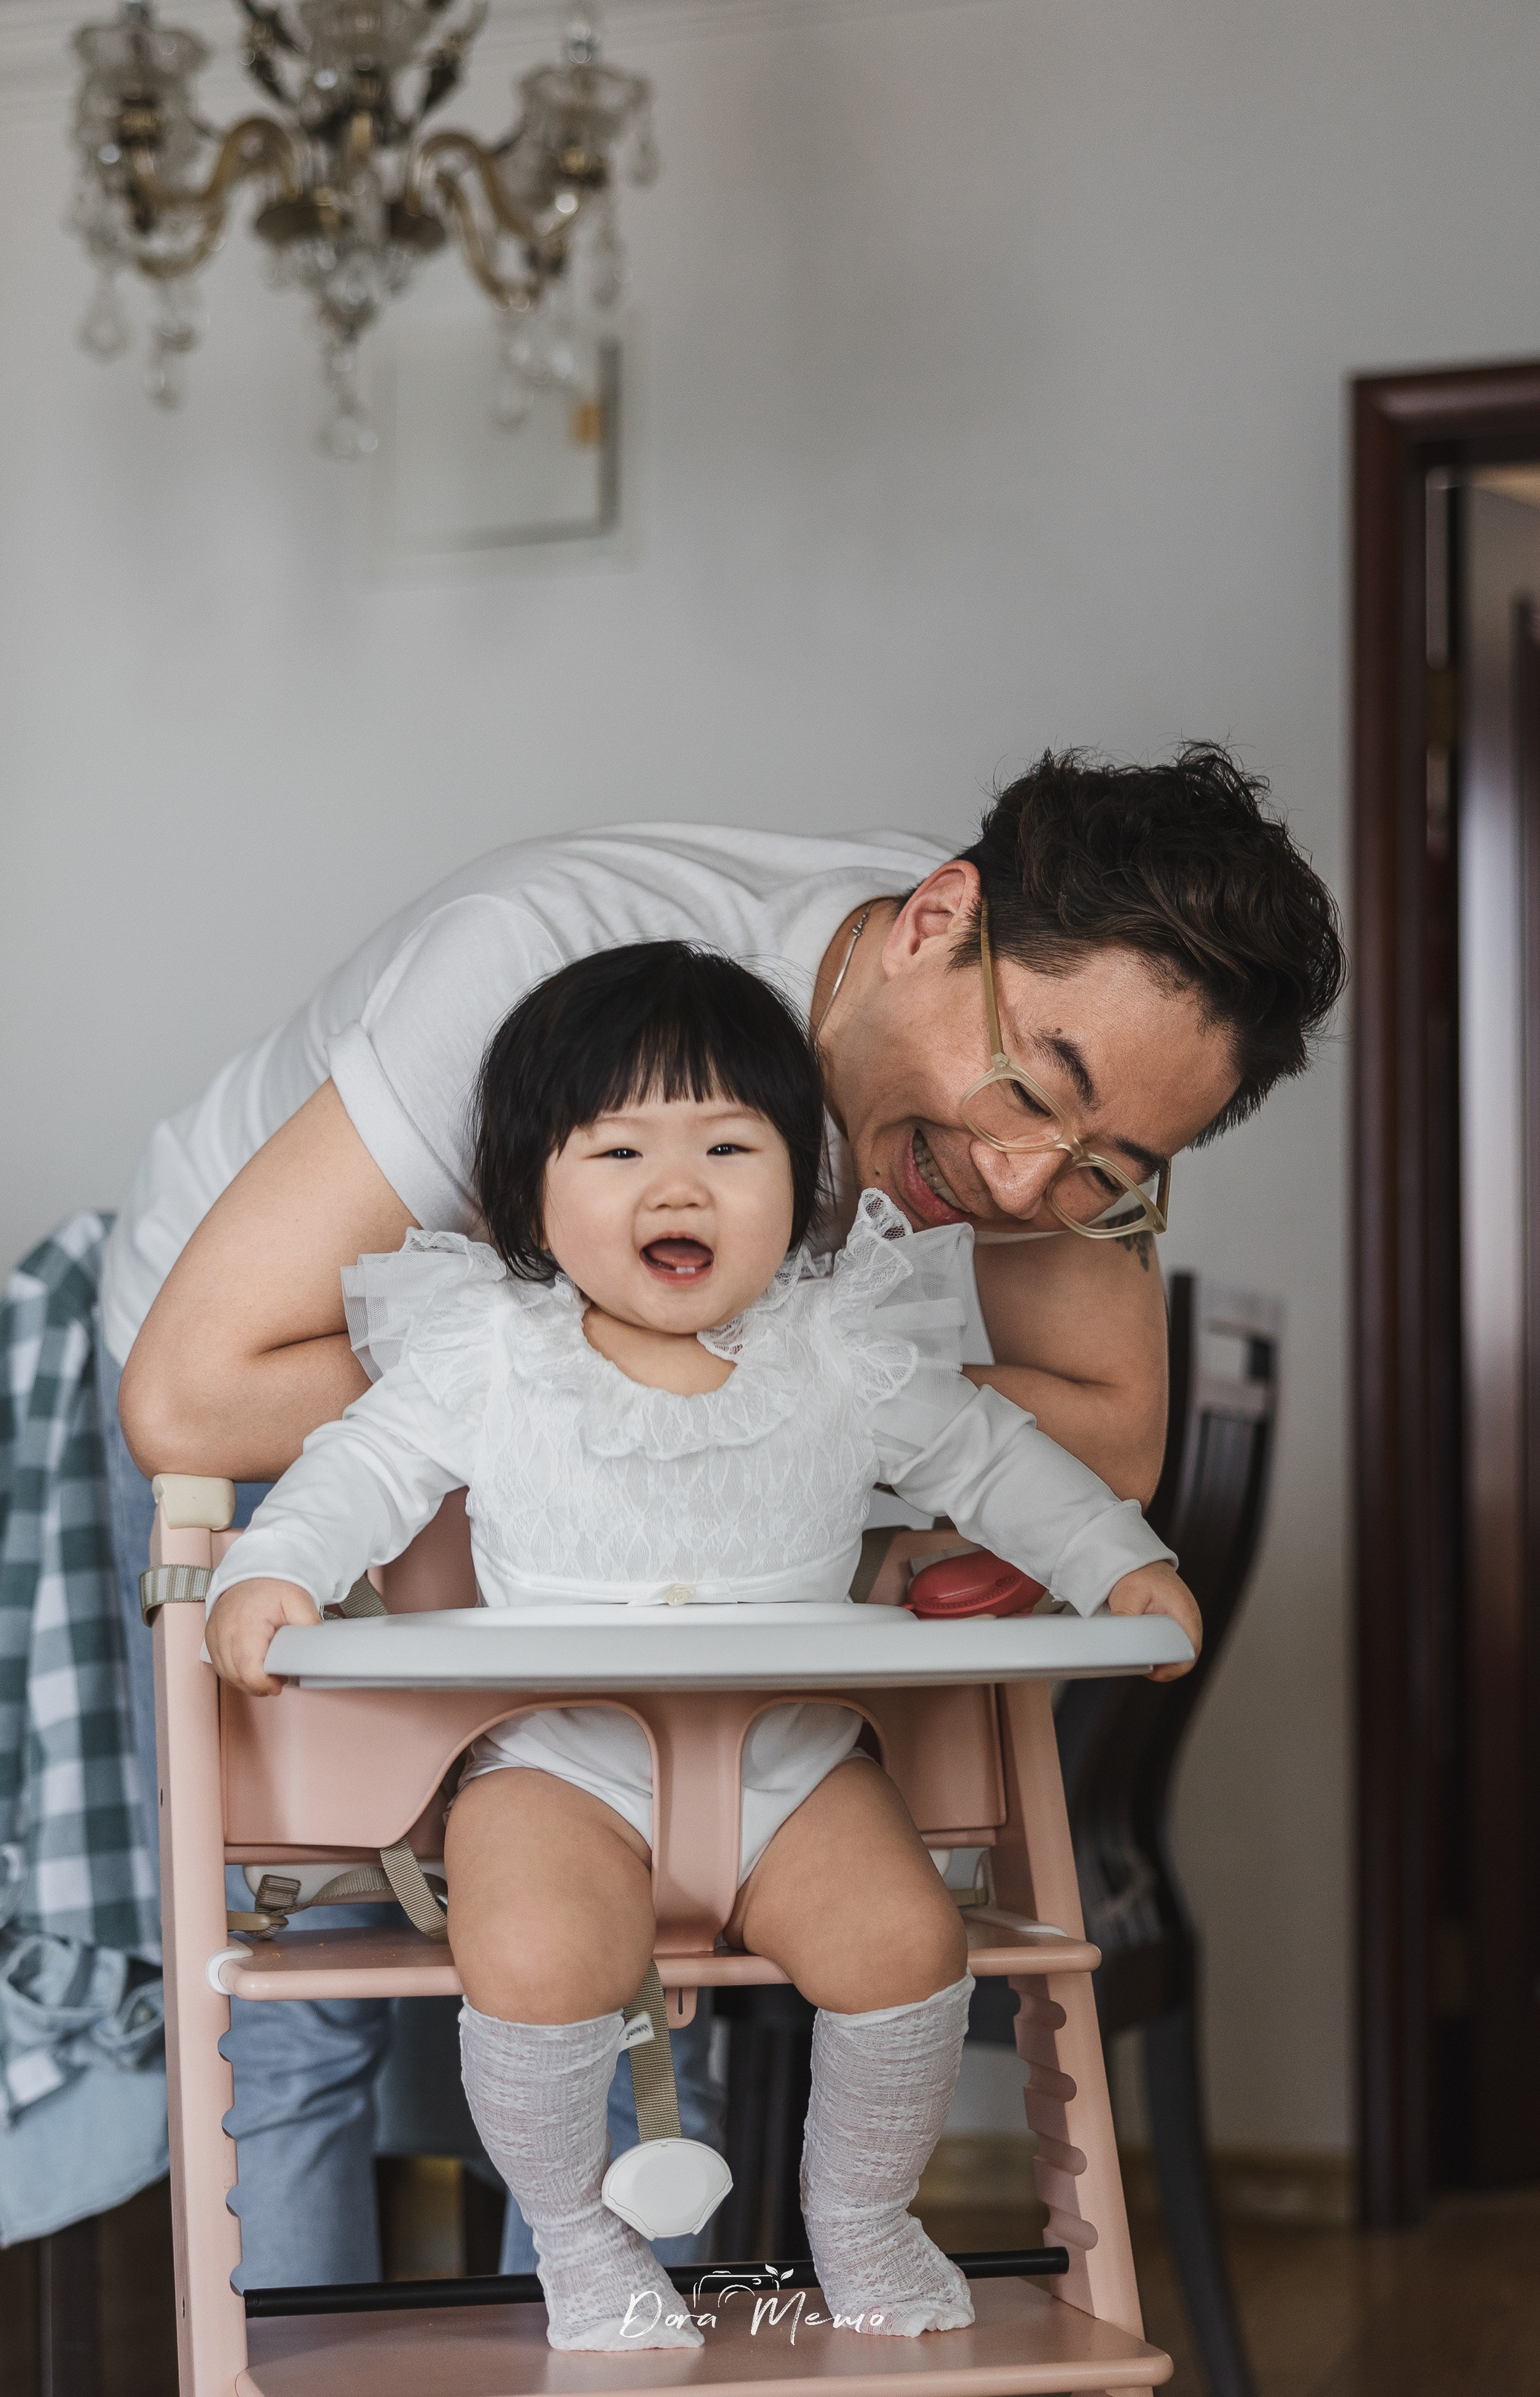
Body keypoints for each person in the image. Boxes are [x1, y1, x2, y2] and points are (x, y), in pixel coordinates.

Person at [103, 744, 1344, 2286]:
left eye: (1108, 1170)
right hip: (273, 1353)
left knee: (642, 1961)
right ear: (934, 919)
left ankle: (596, 2338)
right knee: (315, 1991)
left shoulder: (1047, 1074)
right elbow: (196, 1390)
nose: (1027, 1186)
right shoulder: (534, 960)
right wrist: (575, 1372)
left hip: (619, 1497)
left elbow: (1106, 1435)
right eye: (1033, 1093)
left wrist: (789, 1390)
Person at [202, 942, 1196, 2347]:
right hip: (555, 1766)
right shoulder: (492, 1357)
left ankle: (861, 2214)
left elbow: (998, 1461)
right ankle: (578, 2241)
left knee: (911, 1942)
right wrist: (273, 1570)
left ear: (801, 1177)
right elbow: (354, 1470)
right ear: (531, 1194)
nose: (678, 1187)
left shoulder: (843, 1349)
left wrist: (1120, 1564)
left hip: (795, 1766)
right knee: (530, 1954)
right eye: (618, 1151)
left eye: (730, 1146)